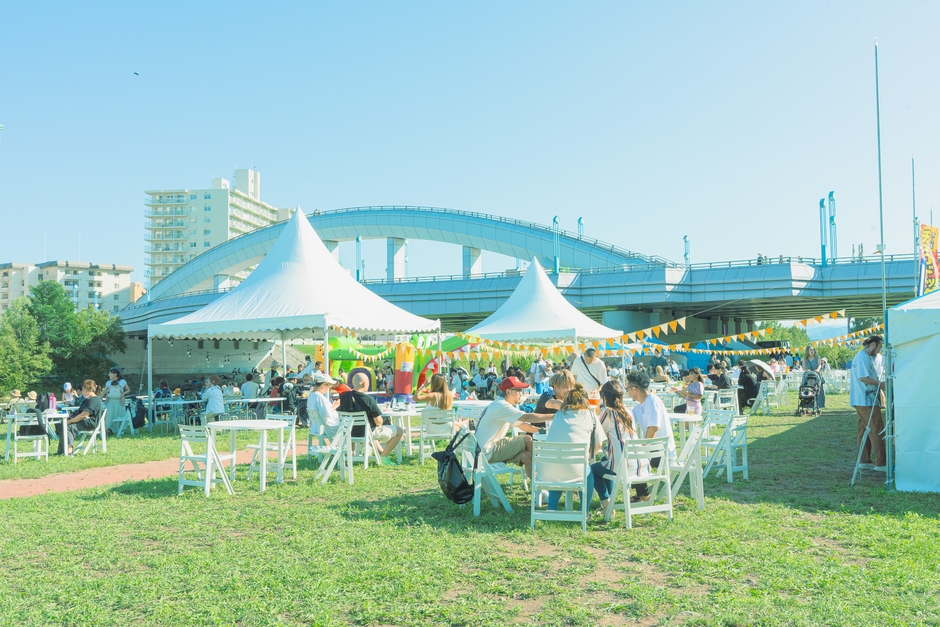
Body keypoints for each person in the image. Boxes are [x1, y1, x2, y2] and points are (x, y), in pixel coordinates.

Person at [474, 376, 554, 479]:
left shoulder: (500, 404)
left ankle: (538, 488)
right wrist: (554, 417)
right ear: (508, 392)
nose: (521, 393)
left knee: (527, 456)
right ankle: (549, 471)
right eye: (519, 390)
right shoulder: (502, 406)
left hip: (483, 452)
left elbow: (524, 425)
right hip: (487, 452)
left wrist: (545, 430)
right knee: (527, 439)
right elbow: (527, 417)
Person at [541, 383, 606, 510]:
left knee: (558, 469)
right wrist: (587, 457)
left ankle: (552, 508)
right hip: (576, 468)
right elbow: (599, 443)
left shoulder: (559, 414)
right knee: (588, 473)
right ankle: (584, 511)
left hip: (548, 469)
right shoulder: (590, 415)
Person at [590, 380, 646, 512]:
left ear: (605, 397)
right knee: (605, 461)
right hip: (639, 464)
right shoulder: (628, 411)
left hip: (623, 465)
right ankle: (610, 502)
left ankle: (607, 502)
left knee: (592, 470)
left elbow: (596, 433)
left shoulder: (608, 412)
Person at [626, 370, 676, 501]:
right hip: (655, 449)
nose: (627, 392)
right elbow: (628, 421)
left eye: (627, 388)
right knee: (632, 456)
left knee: (634, 458)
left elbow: (653, 428)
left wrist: (643, 447)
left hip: (663, 451)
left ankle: (643, 495)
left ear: (634, 389)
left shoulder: (653, 401)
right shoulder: (640, 406)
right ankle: (642, 494)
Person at [340, 372, 403, 458]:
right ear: (364, 383)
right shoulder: (368, 399)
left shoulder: (343, 397)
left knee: (370, 427)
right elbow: (378, 422)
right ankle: (383, 456)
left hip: (349, 432)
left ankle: (354, 452)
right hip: (366, 433)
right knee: (399, 431)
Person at [850, 335, 886, 471]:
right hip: (865, 400)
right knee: (876, 429)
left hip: (863, 400)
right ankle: (881, 463)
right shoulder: (863, 357)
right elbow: (863, 377)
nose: (880, 349)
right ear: (873, 345)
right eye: (879, 347)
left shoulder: (863, 357)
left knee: (864, 430)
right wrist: (881, 384)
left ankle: (864, 460)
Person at [57, 379, 103, 455]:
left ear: (90, 390)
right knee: (63, 425)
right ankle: (61, 451)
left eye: (84, 389)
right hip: (83, 421)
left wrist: (70, 421)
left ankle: (69, 452)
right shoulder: (87, 400)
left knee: (68, 427)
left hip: (89, 423)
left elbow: (84, 415)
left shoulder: (94, 400)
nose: (82, 392)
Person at [307, 372, 340, 444]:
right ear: (324, 385)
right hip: (327, 427)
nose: (329, 388)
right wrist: (334, 406)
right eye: (329, 386)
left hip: (315, 427)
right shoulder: (319, 397)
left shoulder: (311, 395)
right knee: (349, 426)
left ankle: (336, 450)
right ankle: (344, 451)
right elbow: (326, 414)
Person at [102, 368, 129, 434]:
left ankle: (120, 429)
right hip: (110, 402)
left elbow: (128, 390)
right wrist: (99, 397)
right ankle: (109, 429)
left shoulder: (122, 381)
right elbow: (104, 392)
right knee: (110, 416)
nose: (109, 374)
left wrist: (123, 393)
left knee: (119, 414)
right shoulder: (108, 382)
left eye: (110, 373)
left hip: (119, 402)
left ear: (115, 374)